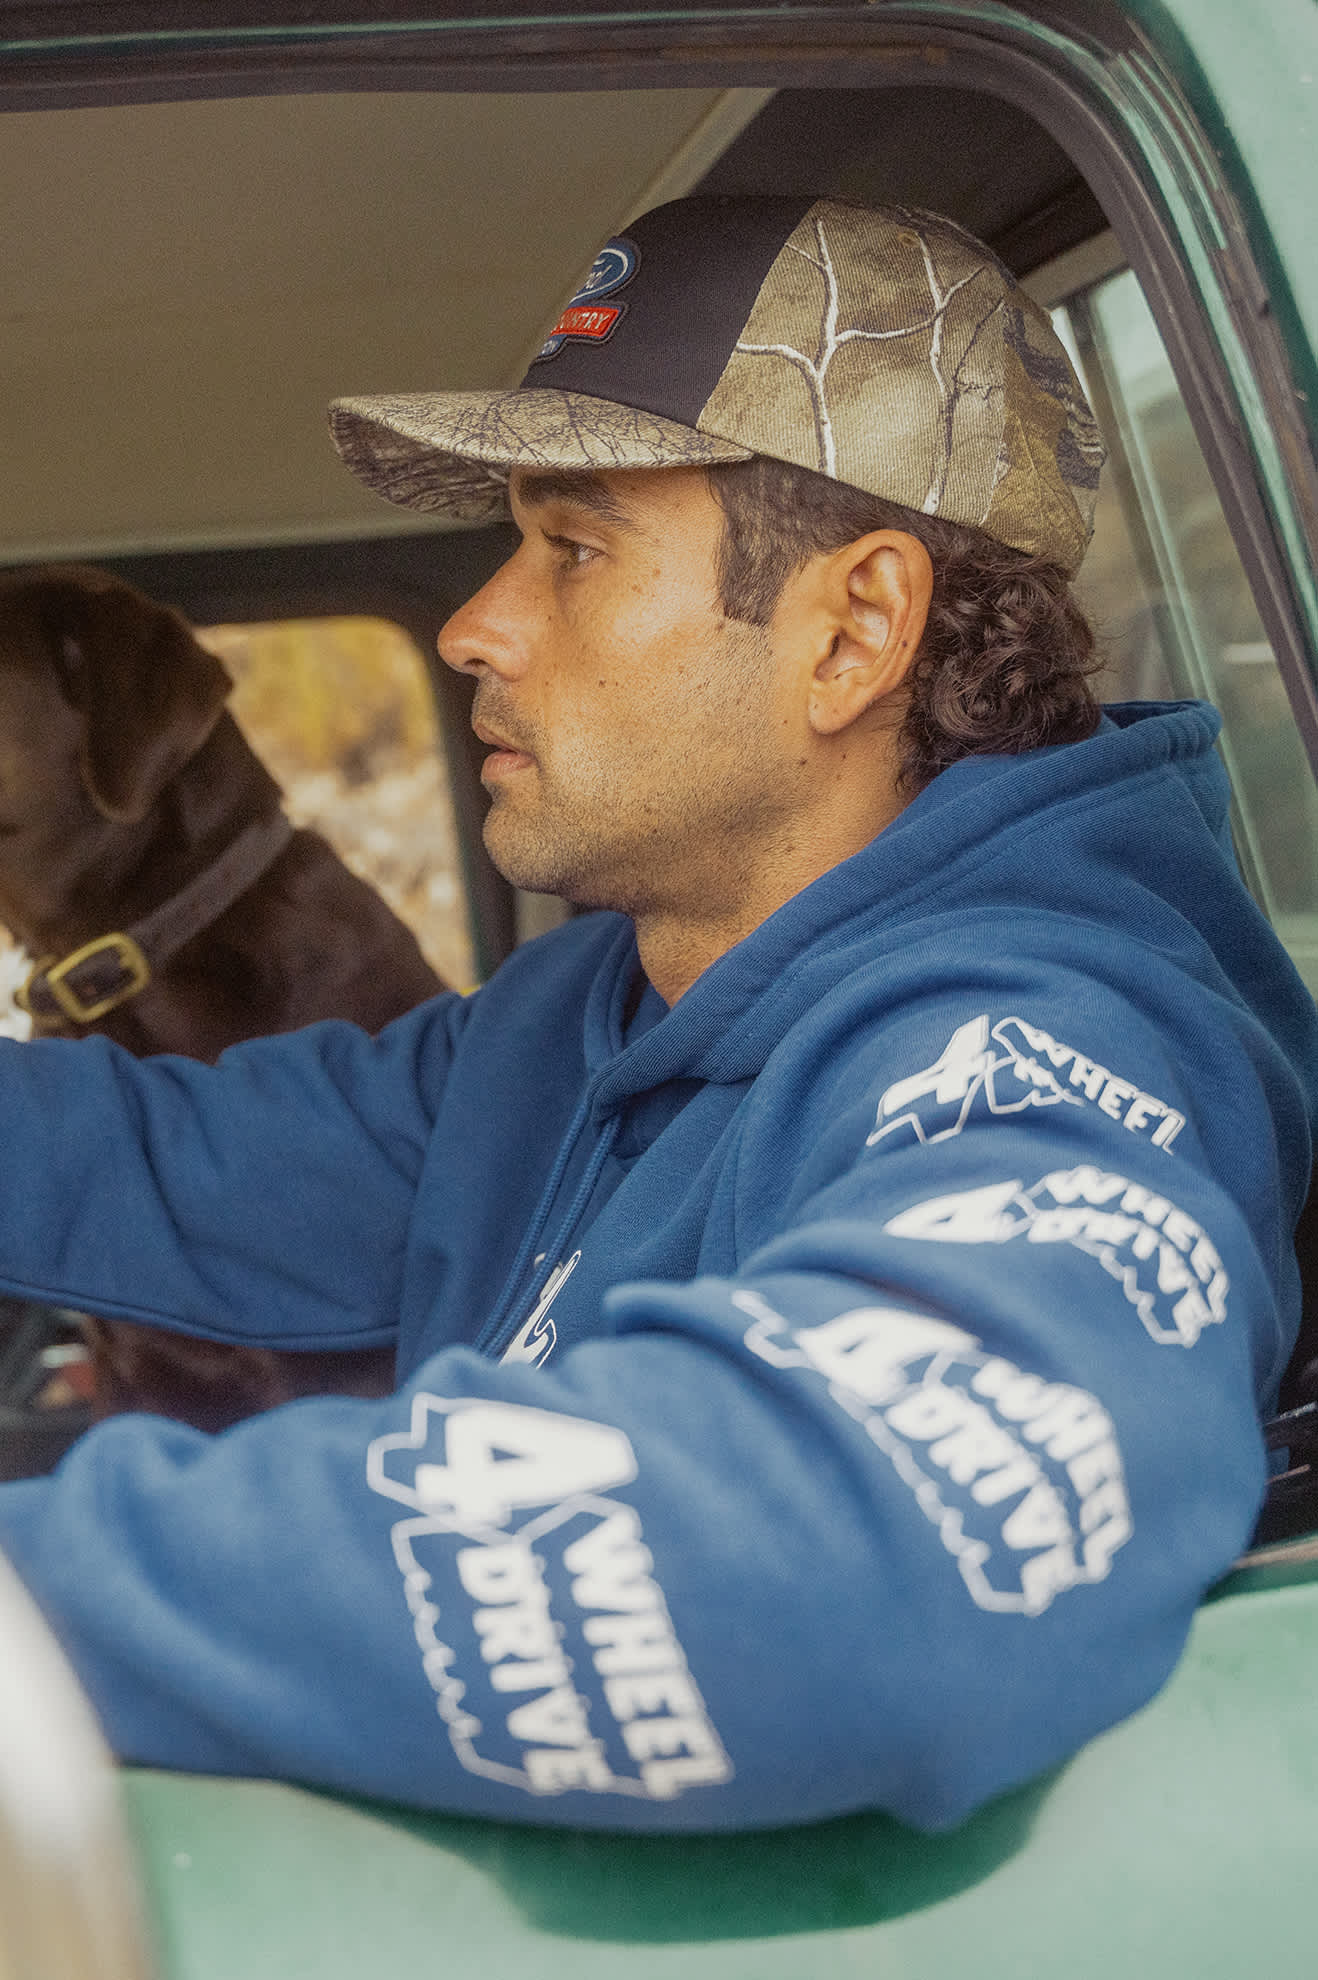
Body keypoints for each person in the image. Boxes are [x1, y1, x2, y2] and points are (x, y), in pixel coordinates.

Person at [0, 195, 1312, 1833]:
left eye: (575, 549)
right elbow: (179, 1159)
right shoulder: (588, 1009)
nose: (478, 625)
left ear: (850, 632)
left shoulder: (1038, 1048)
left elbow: (863, 1559)